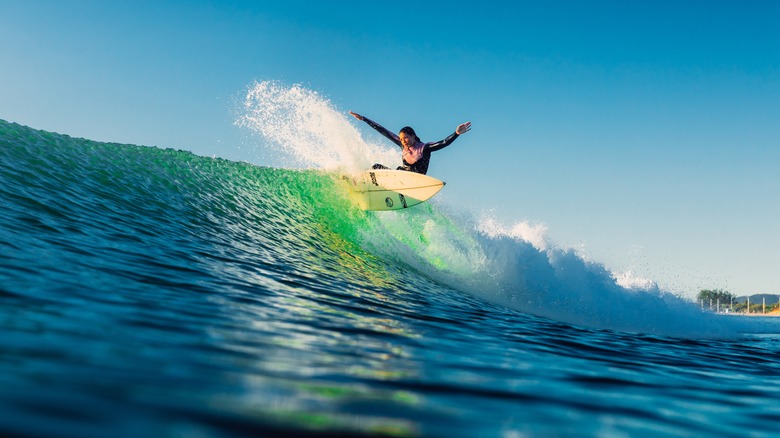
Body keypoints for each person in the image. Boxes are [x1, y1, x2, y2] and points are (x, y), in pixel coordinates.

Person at [349, 111, 471, 175]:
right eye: (401, 139)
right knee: (376, 167)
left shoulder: (424, 148)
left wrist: (456, 133)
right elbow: (383, 131)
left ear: (413, 136)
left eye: (406, 138)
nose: (403, 141)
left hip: (416, 180)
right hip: (401, 176)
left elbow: (443, 143)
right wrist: (364, 119)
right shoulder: (403, 146)